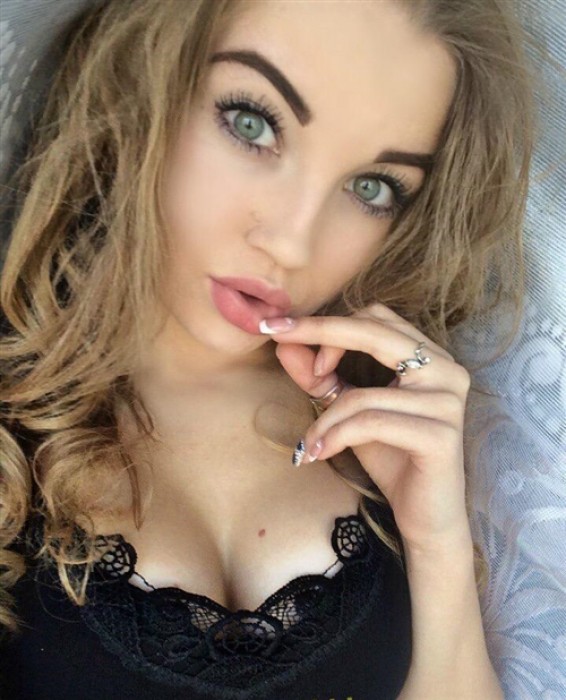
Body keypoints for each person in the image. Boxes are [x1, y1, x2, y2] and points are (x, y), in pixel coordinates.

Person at [0, 0, 535, 698]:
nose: (293, 242)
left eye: (372, 188)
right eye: (251, 123)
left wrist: (437, 546)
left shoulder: (392, 433)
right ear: (139, 81)